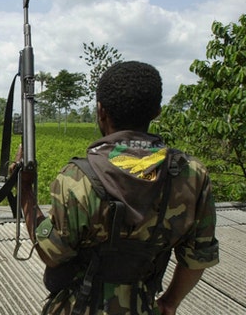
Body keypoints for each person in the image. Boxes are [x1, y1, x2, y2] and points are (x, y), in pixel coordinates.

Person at [18, 61, 219, 315]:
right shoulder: (192, 175)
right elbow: (199, 256)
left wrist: (26, 192)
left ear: (100, 111)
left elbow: (52, 253)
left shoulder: (77, 179)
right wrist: (169, 302)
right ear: (157, 111)